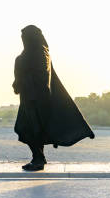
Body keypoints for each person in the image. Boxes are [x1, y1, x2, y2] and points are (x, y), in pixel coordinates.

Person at [12, 25, 95, 171]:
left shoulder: (40, 53)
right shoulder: (30, 54)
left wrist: (21, 72)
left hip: (37, 99)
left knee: (33, 128)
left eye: (25, 37)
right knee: (26, 128)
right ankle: (38, 158)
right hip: (28, 99)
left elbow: (41, 76)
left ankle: (38, 159)